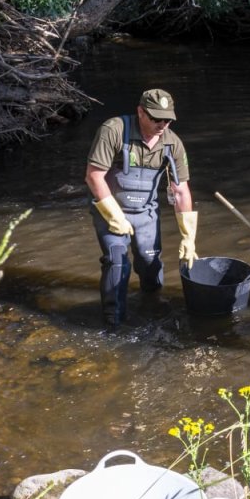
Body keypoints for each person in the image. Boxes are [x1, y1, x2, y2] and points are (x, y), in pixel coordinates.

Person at [85, 89, 197, 328]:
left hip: (146, 212)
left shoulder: (172, 144)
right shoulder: (114, 130)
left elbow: (181, 190)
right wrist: (114, 215)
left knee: (150, 264)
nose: (162, 124)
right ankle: (113, 323)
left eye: (167, 120)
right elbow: (94, 177)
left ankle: (153, 306)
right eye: (156, 118)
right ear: (140, 112)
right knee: (117, 262)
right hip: (110, 209)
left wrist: (188, 237)